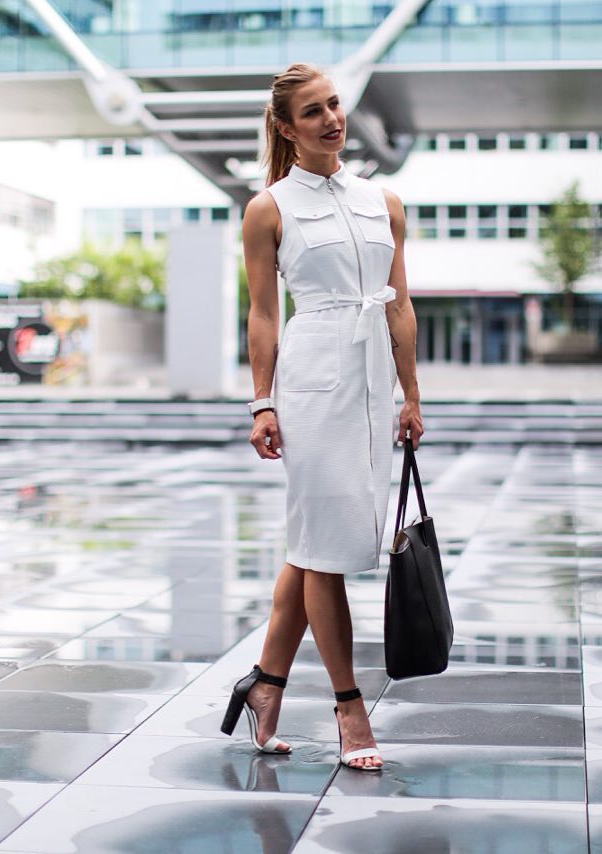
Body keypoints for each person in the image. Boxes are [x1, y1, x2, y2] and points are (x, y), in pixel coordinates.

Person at [220, 63, 424, 771]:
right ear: (286, 127)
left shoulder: (383, 201)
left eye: (334, 105)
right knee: (327, 548)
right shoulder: (268, 208)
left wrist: (411, 395)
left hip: (371, 385)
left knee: (317, 541)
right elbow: (263, 313)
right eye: (313, 112)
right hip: (310, 383)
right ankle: (348, 707)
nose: (332, 118)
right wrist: (263, 401)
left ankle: (265, 686)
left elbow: (399, 304)